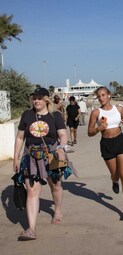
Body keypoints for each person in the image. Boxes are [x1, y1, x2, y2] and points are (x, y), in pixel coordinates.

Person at [13, 87, 76, 241]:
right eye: (34, 98)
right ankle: (31, 229)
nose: (36, 100)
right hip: (30, 156)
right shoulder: (27, 115)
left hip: (52, 154)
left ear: (46, 100)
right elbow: (20, 137)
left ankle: (58, 210)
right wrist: (16, 157)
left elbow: (62, 134)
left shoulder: (55, 116)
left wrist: (61, 149)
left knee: (55, 185)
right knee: (32, 191)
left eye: (40, 98)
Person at [88, 86, 123, 221]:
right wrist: (98, 129)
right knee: (116, 174)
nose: (101, 98)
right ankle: (114, 180)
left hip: (120, 142)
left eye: (103, 95)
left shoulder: (119, 109)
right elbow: (90, 133)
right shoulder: (96, 113)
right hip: (106, 145)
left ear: (109, 95)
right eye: (99, 96)